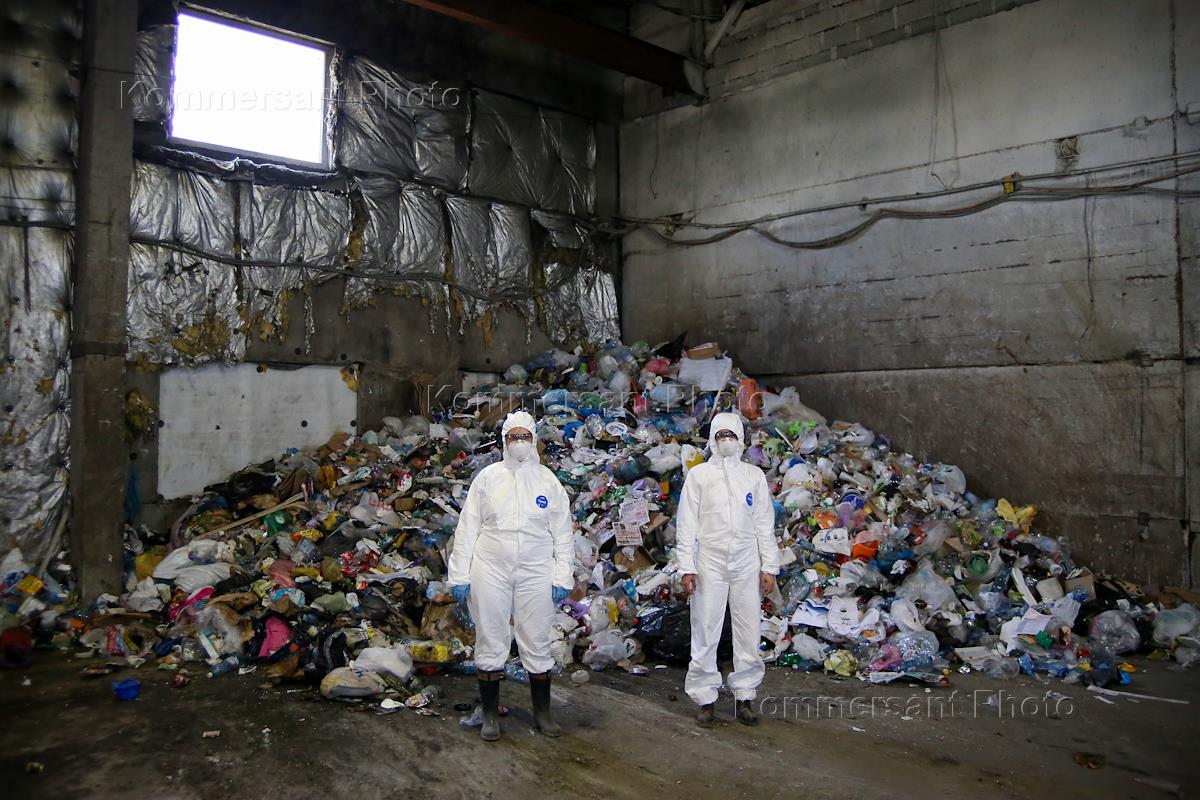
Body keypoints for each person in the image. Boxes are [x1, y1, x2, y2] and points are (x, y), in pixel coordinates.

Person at [445, 410, 574, 741]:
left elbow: (563, 533)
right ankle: (490, 715)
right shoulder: (488, 478)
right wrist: (459, 575)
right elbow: (467, 528)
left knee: (537, 638)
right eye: (513, 436)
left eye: (524, 436)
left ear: (533, 440)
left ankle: (542, 713)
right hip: (490, 568)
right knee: (491, 636)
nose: (519, 442)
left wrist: (563, 576)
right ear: (504, 440)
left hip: (536, 570)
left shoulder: (548, 481)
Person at [675, 411, 780, 727]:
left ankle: (745, 696)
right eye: (721, 435)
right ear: (712, 439)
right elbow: (686, 524)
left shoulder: (753, 476)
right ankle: (705, 698)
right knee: (705, 629)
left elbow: (764, 524)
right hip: (710, 562)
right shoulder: (699, 476)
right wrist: (686, 567)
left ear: (741, 439)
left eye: (731, 435)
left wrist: (769, 566)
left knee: (749, 631)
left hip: (747, 562)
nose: (726, 441)